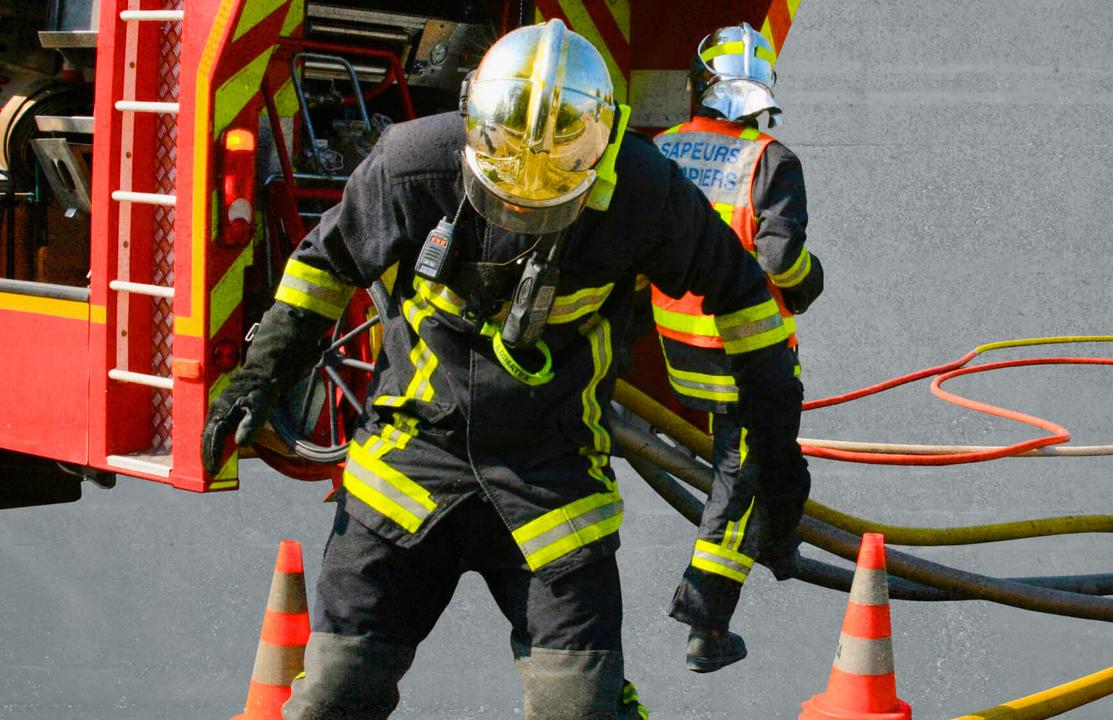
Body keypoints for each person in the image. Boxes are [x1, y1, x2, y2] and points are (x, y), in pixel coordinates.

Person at [201, 20, 809, 720]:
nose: (522, 200)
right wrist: (259, 376)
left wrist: (774, 449)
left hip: (553, 483)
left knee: (577, 709)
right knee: (336, 696)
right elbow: (325, 266)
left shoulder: (644, 193)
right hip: (407, 470)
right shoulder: (414, 162)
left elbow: (744, 298)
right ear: (475, 128)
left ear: (596, 152)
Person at [648, 22, 823, 673]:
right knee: (740, 481)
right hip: (749, 359)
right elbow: (781, 263)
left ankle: (779, 550)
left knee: (780, 467)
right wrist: (812, 281)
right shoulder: (770, 160)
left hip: (678, 351)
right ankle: (705, 623)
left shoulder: (662, 150)